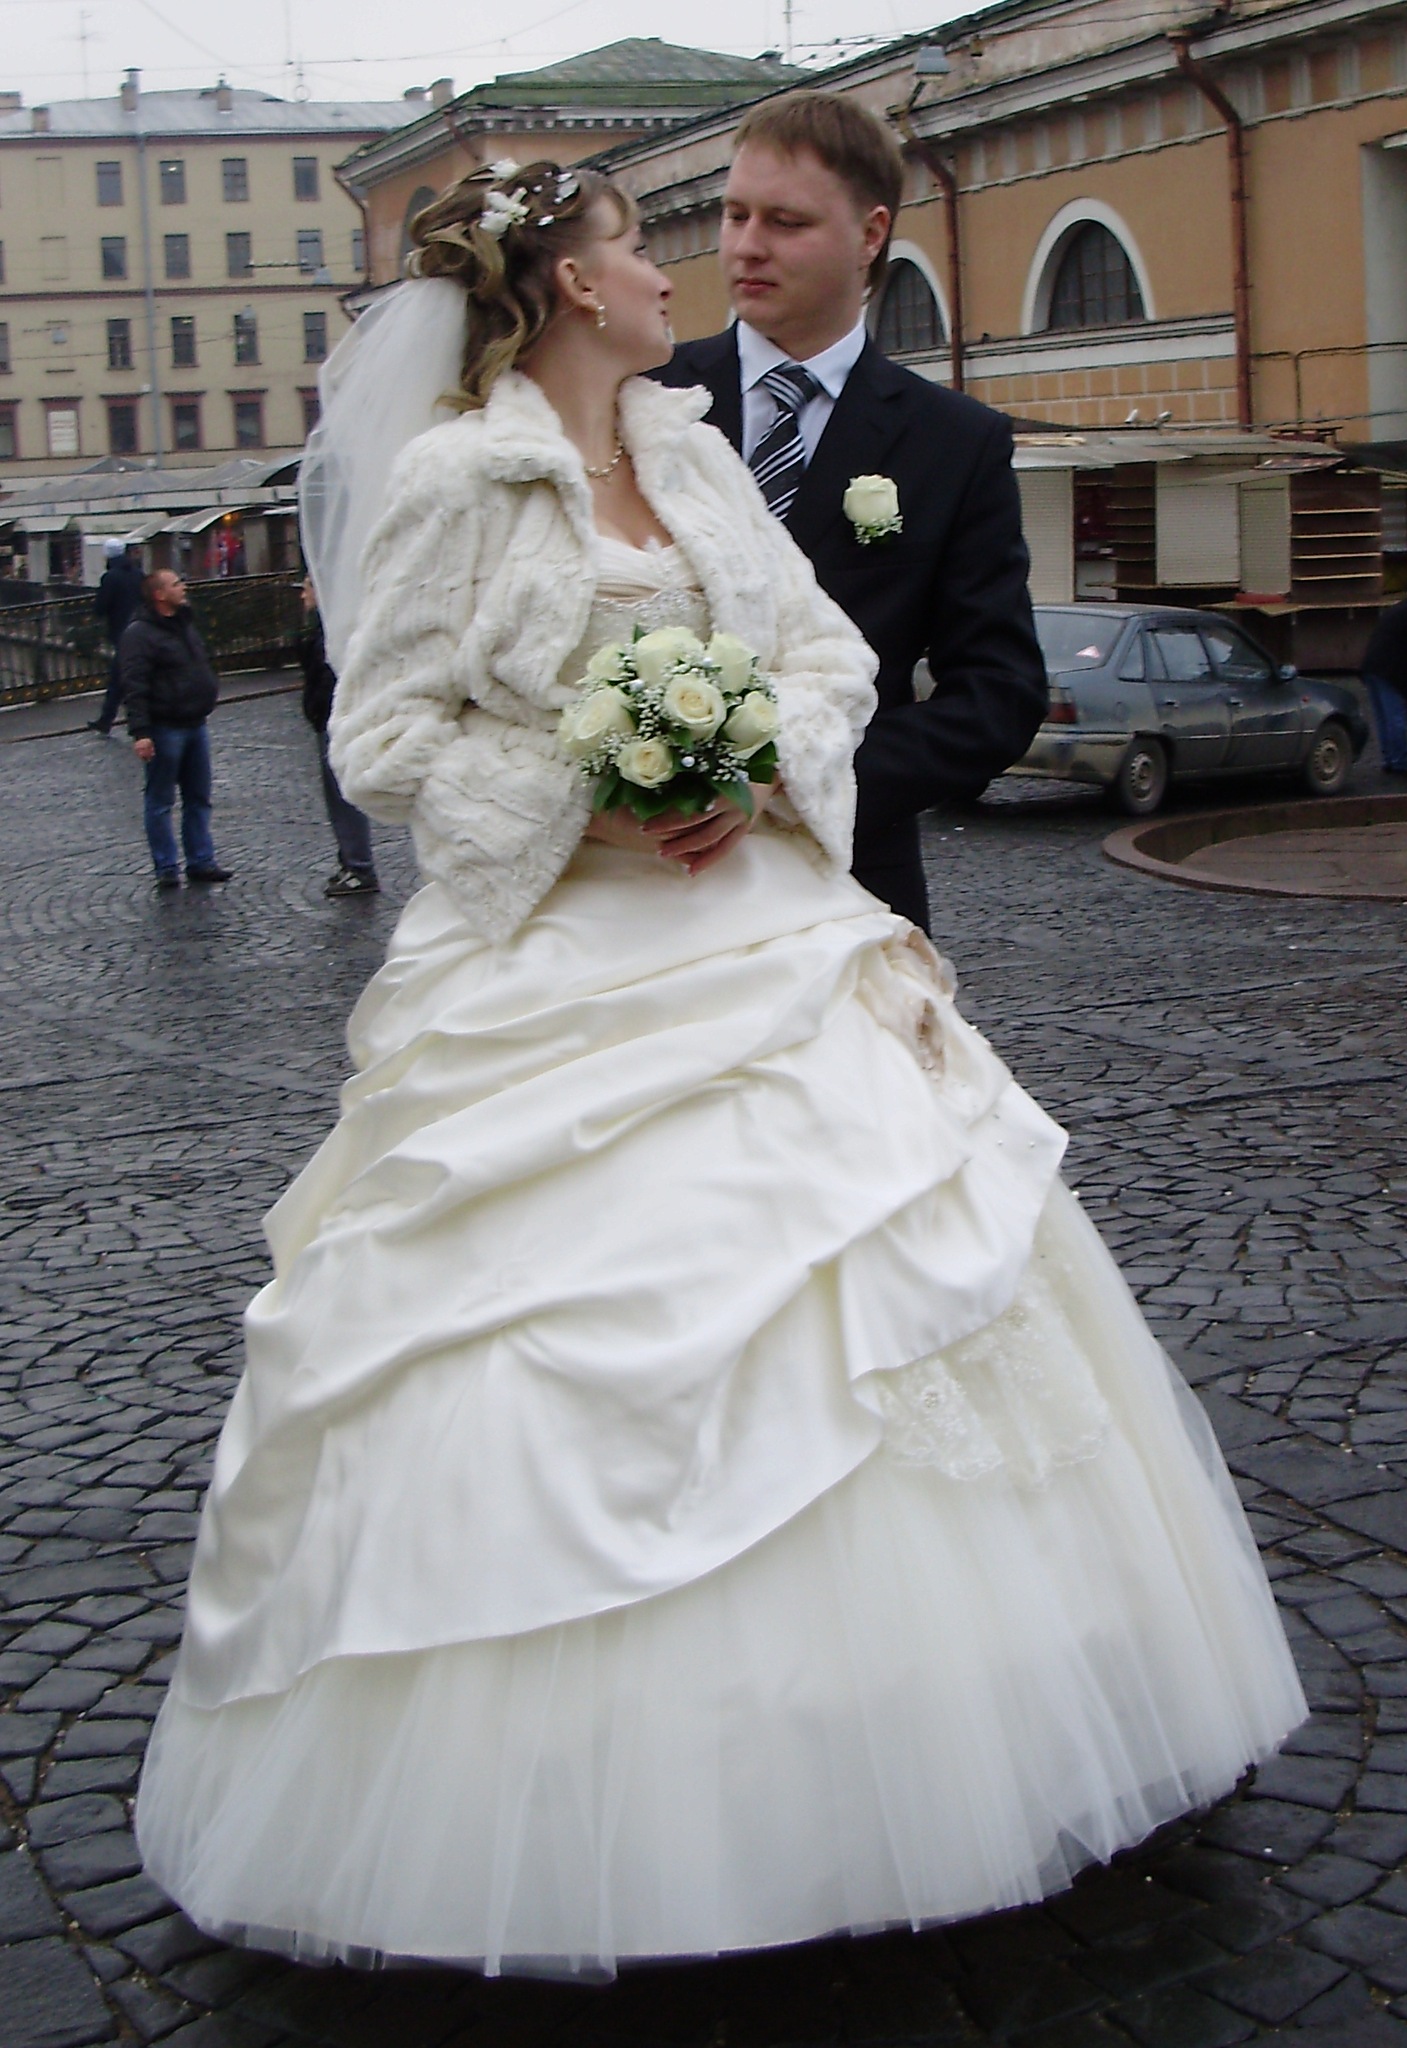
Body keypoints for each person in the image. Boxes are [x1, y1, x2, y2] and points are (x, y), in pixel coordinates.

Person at [135, 160, 1304, 1975]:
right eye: (633, 243)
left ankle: (917, 1737)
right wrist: (589, 793)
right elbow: (386, 736)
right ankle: (584, 1786)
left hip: (766, 923)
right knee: (544, 1324)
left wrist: (753, 764)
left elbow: (827, 657)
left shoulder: (690, 457)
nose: (673, 267)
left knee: (890, 1272)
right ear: (568, 284)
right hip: (559, 962)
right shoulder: (458, 477)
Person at [655, 91, 1047, 930]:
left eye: (786, 222)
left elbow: (997, 698)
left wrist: (790, 776)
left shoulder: (954, 442)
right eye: (734, 214)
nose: (746, 246)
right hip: (645, 881)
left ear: (870, 235)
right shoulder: (645, 397)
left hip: (849, 887)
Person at [122, 569, 233, 889]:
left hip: (195, 722)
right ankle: (167, 866)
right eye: (176, 584)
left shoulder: (183, 623)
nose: (183, 587)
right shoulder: (140, 634)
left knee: (199, 797)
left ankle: (201, 861)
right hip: (164, 727)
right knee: (160, 801)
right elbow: (134, 684)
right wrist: (141, 732)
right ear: (159, 595)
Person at [295, 576, 380, 897]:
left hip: (334, 719)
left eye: (307, 588)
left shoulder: (332, 632)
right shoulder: (326, 627)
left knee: (343, 796)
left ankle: (359, 865)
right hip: (327, 717)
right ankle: (351, 860)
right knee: (338, 795)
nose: (302, 595)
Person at [1361, 585, 1407, 776]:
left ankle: (1390, 759)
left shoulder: (1403, 606)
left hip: (1371, 666)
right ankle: (1401, 763)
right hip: (1392, 671)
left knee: (1383, 718)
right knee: (1395, 717)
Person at [87, 539, 146, 734]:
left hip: (121, 633)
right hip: (140, 629)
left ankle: (118, 720)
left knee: (121, 679)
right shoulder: (138, 574)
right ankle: (107, 719)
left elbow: (101, 607)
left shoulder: (110, 577)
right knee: (125, 677)